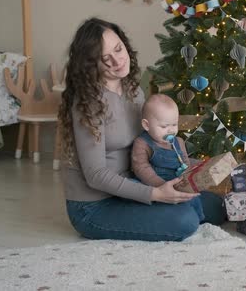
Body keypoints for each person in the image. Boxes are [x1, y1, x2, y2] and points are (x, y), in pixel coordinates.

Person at [59, 17, 226, 242]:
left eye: (118, 49)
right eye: (104, 58)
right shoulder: (88, 103)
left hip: (134, 186)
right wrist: (155, 194)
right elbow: (96, 176)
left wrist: (195, 168)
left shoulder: (133, 92)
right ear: (91, 64)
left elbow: (152, 144)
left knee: (215, 206)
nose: (117, 61)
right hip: (94, 206)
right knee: (185, 220)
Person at [131, 94, 191, 186]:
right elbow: (141, 168)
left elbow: (185, 162)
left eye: (174, 124)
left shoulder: (179, 141)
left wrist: (186, 176)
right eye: (164, 126)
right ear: (146, 125)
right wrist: (161, 185)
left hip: (178, 181)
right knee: (134, 185)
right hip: (154, 184)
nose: (171, 130)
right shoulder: (142, 143)